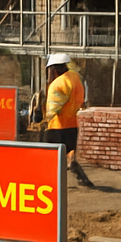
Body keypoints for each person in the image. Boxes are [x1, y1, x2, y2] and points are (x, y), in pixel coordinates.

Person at [43, 52, 95, 188]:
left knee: (52, 158)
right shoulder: (76, 78)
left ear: (54, 68)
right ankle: (75, 167)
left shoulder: (59, 84)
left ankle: (53, 183)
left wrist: (44, 120)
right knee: (69, 151)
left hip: (57, 127)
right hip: (73, 125)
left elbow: (53, 109)